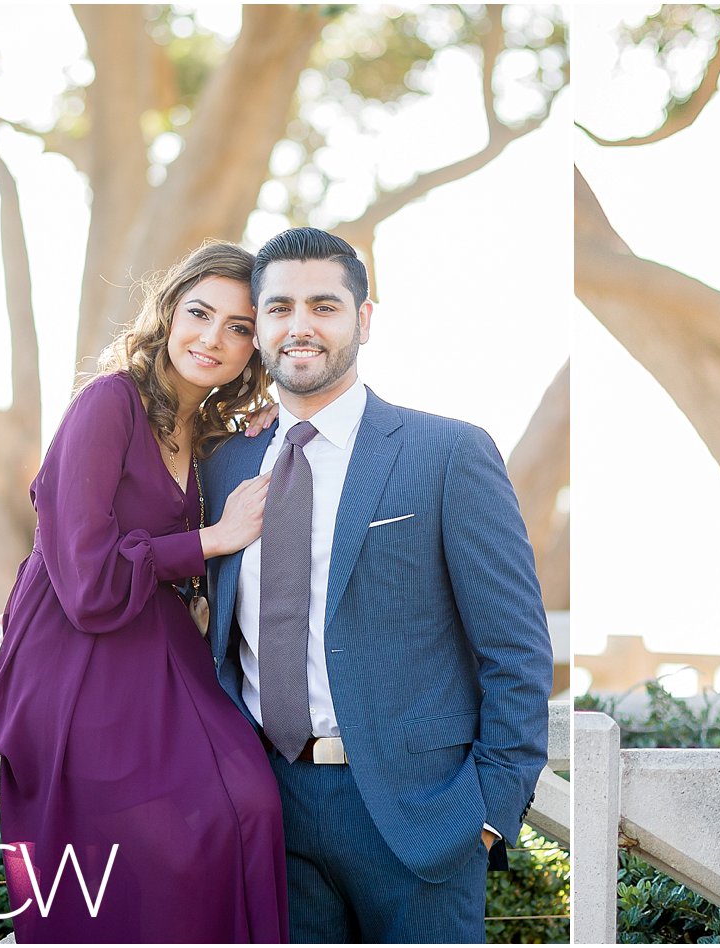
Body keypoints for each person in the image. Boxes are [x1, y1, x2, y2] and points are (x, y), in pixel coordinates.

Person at [201, 227, 553, 942]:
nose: (301, 326)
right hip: (268, 809)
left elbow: (516, 651)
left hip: (420, 819)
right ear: (260, 327)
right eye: (280, 309)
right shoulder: (222, 468)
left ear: (364, 319)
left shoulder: (448, 453)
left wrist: (486, 815)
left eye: (324, 306)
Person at [0, 242, 288, 942]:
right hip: (76, 651)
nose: (213, 338)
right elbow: (85, 580)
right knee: (171, 829)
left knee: (253, 805)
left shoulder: (210, 432)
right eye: (199, 313)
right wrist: (213, 539)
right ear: (169, 313)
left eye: (239, 328)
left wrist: (269, 426)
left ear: (256, 350)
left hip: (163, 649)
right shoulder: (107, 403)